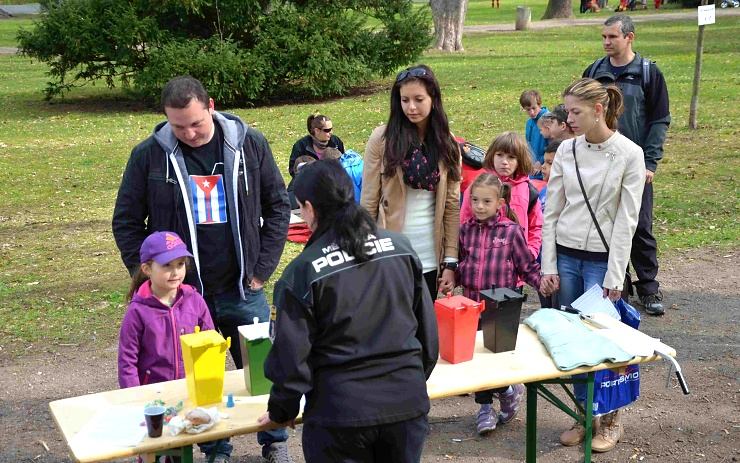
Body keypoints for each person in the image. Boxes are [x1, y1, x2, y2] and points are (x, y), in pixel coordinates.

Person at [111, 76, 292, 463]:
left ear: (210, 105)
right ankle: (216, 447)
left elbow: (278, 206)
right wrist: (150, 275)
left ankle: (275, 440)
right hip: (185, 298)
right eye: (179, 126)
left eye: (196, 123)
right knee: (197, 381)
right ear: (166, 119)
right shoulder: (148, 156)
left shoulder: (249, 144)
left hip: (244, 287)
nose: (190, 133)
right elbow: (126, 221)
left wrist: (261, 269)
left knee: (263, 370)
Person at [258, 160, 439, 463]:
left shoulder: (302, 273)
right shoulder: (401, 248)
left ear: (310, 209)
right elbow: (427, 334)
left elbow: (290, 359)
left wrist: (281, 410)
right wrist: (409, 385)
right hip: (405, 405)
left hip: (340, 416)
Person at [540, 78, 645, 453]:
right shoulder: (566, 150)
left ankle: (611, 419)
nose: (568, 119)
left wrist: (616, 275)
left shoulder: (630, 154)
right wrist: (547, 265)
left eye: (575, 112)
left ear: (598, 110)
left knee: (604, 340)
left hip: (602, 261)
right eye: (567, 111)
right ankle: (582, 415)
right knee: (573, 341)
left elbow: (626, 220)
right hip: (565, 255)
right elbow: (551, 210)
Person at [583, 14, 671, 315]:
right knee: (604, 224)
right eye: (604, 37)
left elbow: (659, 120)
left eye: (613, 37)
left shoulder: (648, 73)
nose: (607, 42)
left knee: (640, 226)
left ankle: (649, 288)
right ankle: (618, 282)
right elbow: (581, 112)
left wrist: (650, 162)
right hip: (601, 163)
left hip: (635, 166)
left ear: (629, 37)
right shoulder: (594, 71)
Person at [361, 64, 461, 300]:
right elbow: (369, 200)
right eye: (404, 100)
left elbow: (452, 206)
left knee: (426, 330)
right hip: (390, 252)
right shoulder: (382, 139)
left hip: (430, 255)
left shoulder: (448, 144)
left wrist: (450, 261)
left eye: (418, 99)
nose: (411, 107)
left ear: (433, 99)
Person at [118, 231, 220, 461]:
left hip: (189, 392)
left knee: (181, 447)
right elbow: (127, 361)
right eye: (166, 266)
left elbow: (210, 343)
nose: (175, 272)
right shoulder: (138, 311)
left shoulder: (195, 300)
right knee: (154, 450)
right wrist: (137, 400)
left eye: (181, 264)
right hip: (152, 399)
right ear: (147, 269)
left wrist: (208, 384)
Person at [457, 173, 542, 435]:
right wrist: (450, 278)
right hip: (472, 305)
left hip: (502, 307)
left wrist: (544, 283)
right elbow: (461, 263)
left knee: (497, 357)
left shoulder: (511, 232)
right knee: (476, 358)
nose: (479, 206)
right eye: (474, 200)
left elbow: (526, 267)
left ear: (499, 204)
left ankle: (507, 390)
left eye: (485, 201)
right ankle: (485, 408)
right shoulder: (466, 231)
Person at [460, 132, 543, 260]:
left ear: (520, 160)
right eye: (499, 155)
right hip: (481, 264)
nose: (504, 162)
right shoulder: (477, 186)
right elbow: (464, 220)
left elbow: (536, 226)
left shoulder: (528, 190)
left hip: (516, 269)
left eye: (511, 157)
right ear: (492, 155)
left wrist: (530, 252)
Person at [287, 114, 345, 208]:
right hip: (305, 185)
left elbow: (343, 164)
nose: (330, 132)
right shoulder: (300, 145)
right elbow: (293, 170)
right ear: (317, 130)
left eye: (331, 129)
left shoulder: (336, 142)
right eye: (327, 130)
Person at [520, 89, 548, 180]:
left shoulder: (549, 120)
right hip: (533, 167)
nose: (531, 112)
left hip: (545, 166)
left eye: (534, 108)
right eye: (528, 110)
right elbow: (529, 145)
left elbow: (553, 145)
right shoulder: (529, 123)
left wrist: (541, 161)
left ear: (539, 104)